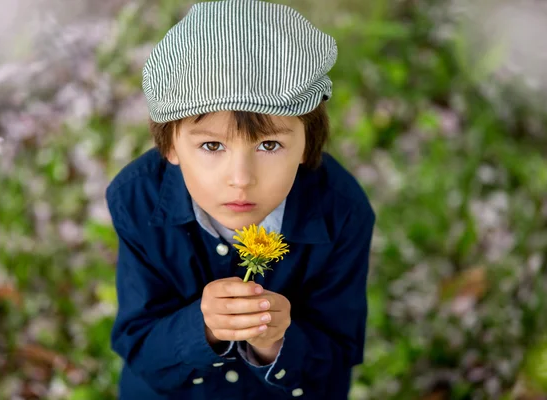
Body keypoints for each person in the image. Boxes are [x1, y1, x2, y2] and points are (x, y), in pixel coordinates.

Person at [105, 1, 376, 398]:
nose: (241, 179)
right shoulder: (137, 200)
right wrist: (203, 329)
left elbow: (338, 351)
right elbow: (138, 346)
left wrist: (278, 343)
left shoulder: (343, 211)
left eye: (269, 144)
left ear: (306, 143)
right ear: (171, 145)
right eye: (212, 145)